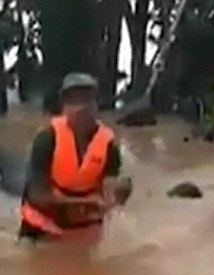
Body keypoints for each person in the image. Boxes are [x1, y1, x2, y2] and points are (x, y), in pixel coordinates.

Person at [18, 72, 131, 242]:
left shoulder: (109, 146)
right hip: (41, 227)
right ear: (63, 107)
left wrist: (117, 196)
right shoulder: (46, 139)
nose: (81, 108)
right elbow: (37, 196)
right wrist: (85, 202)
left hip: (82, 228)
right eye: (74, 101)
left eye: (87, 99)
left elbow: (109, 190)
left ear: (97, 104)